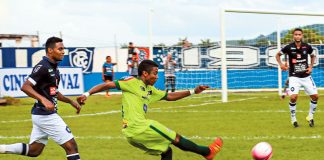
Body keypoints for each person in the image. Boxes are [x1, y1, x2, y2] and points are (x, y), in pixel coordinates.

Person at [77, 60, 223, 160]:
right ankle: (208, 152)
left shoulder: (150, 90)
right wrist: (87, 94)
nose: (156, 76)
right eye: (154, 73)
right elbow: (106, 85)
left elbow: (169, 96)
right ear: (145, 74)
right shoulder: (132, 82)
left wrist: (193, 91)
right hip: (139, 126)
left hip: (131, 134)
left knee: (166, 151)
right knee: (176, 138)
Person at [0, 37, 82, 160]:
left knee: (34, 150)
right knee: (71, 147)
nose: (63, 51)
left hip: (41, 114)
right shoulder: (43, 66)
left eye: (63, 49)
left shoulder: (54, 68)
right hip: (46, 115)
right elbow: (25, 86)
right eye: (60, 49)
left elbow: (53, 92)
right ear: (50, 50)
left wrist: (70, 101)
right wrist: (43, 100)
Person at [276, 28, 319, 128]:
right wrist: (281, 64)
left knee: (315, 97)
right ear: (293, 36)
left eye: (299, 34)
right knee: (293, 97)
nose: (297, 36)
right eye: (296, 34)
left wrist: (311, 66)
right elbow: (277, 55)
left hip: (306, 76)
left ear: (302, 35)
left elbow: (313, 56)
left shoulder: (307, 46)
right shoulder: (288, 47)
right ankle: (293, 119)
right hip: (294, 77)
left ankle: (310, 116)